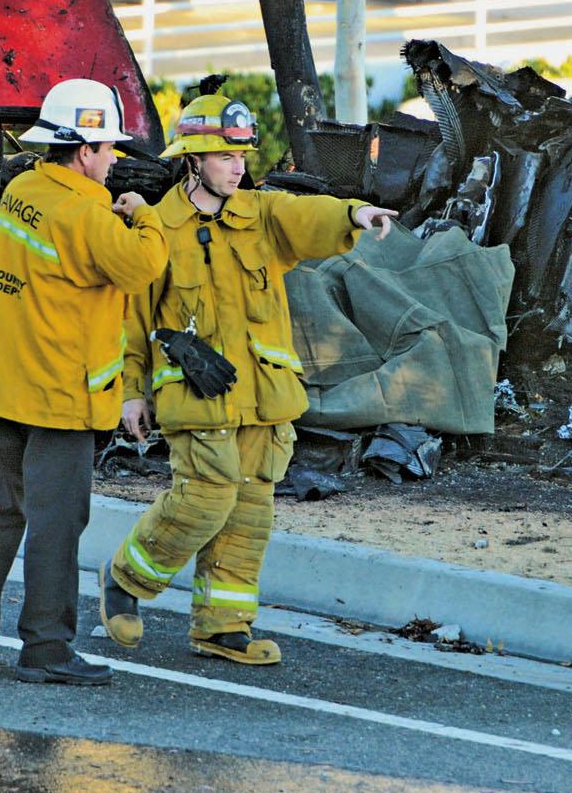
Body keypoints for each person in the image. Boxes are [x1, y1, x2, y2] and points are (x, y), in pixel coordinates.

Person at [97, 92, 397, 665]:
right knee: (205, 500)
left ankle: (223, 627)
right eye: (224, 157)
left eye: (241, 156)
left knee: (250, 512)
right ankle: (126, 581)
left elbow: (307, 217)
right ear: (194, 160)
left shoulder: (260, 213)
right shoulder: (158, 227)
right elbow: (132, 321)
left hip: (263, 398)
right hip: (196, 397)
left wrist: (354, 212)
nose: (238, 166)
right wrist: (132, 393)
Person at [0, 78, 168, 685]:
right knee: (57, 525)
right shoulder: (88, 212)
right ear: (82, 150)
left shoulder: (23, 189)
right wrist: (143, 216)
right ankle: (46, 648)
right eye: (108, 149)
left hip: (9, 384)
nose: (116, 159)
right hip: (62, 397)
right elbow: (144, 267)